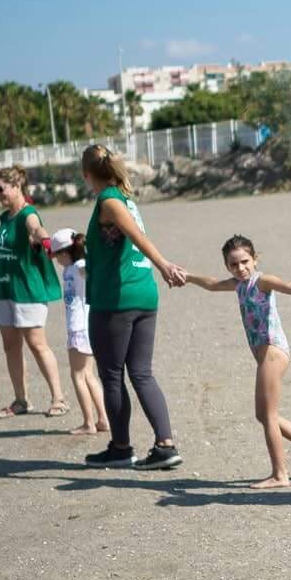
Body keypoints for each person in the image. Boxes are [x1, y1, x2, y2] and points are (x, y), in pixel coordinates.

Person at [183, 234, 291, 488]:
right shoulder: (238, 284)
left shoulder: (262, 281)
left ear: (255, 259)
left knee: (268, 415)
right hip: (264, 353)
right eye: (233, 265)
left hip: (273, 351)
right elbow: (211, 283)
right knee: (264, 415)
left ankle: (280, 474)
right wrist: (186, 276)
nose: (240, 268)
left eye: (245, 262)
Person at [78, 145, 187, 469]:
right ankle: (164, 445)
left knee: (112, 375)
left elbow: (135, 236)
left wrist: (164, 264)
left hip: (116, 299)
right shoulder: (124, 198)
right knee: (140, 372)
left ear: (86, 175)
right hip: (142, 295)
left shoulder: (110, 200)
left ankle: (122, 447)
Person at [0, 166, 66, 417]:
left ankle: (59, 398)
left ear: (16, 187)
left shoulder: (27, 214)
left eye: (1, 189)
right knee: (11, 346)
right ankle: (21, 400)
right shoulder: (5, 218)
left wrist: (46, 241)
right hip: (3, 288)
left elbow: (35, 228)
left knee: (37, 344)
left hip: (26, 290)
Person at [46, 229, 106, 436]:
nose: (56, 261)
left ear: (64, 253)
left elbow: (88, 270)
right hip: (87, 325)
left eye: (56, 256)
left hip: (79, 327)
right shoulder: (70, 267)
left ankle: (89, 423)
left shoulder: (78, 266)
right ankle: (103, 419)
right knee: (89, 375)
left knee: (78, 376)